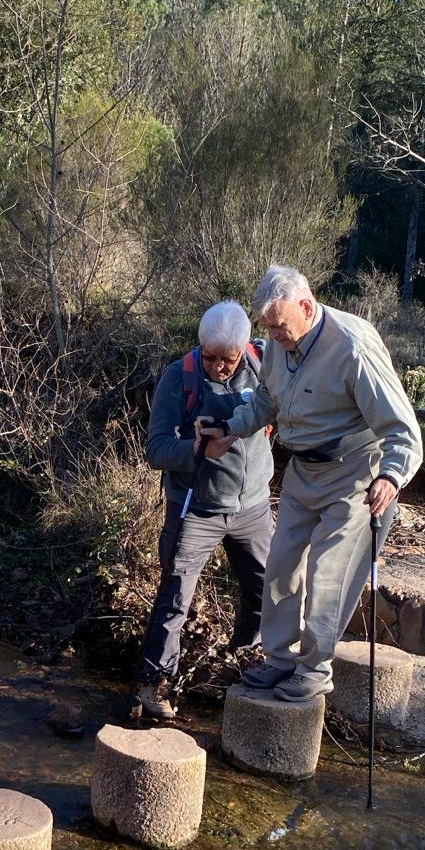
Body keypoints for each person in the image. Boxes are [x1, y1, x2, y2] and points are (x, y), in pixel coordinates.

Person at [197, 265, 422, 703]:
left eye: (279, 327)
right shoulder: (278, 345)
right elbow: (267, 400)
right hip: (302, 471)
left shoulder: (352, 346)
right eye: (268, 329)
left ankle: (315, 671)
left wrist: (391, 475)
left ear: (306, 305)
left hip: (354, 473)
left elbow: (402, 428)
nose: (273, 337)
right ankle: (279, 660)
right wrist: (231, 428)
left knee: (328, 575)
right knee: (280, 567)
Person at [135, 300, 274, 720]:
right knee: (175, 597)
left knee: (264, 591)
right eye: (210, 358)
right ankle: (155, 684)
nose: (218, 367)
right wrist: (196, 450)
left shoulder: (265, 362)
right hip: (195, 508)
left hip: (252, 507)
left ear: (243, 349)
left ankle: (244, 663)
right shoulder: (180, 378)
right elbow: (156, 448)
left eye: (227, 360)